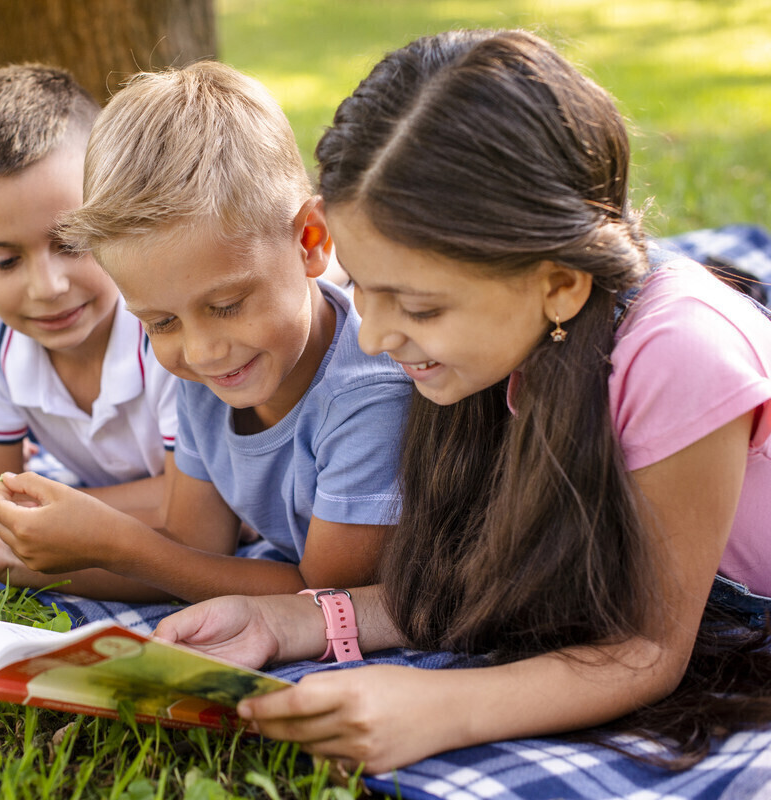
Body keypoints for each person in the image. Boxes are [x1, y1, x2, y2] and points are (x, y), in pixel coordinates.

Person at [153, 29, 771, 773]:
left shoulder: (680, 356)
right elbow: (467, 585)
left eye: (416, 306)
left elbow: (644, 649)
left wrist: (440, 707)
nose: (375, 337)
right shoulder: (484, 355)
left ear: (559, 283)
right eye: (363, 289)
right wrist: (282, 622)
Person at [0, 61, 411, 602]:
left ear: (310, 239)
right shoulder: (205, 377)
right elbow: (193, 555)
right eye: (161, 322)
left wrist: (119, 543)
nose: (200, 350)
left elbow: (323, 598)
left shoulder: (366, 397)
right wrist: (2, 557)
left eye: (227, 304)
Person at [0, 65, 181, 599]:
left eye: (71, 242)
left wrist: (30, 511)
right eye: (3, 261)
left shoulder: (166, 321)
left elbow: (195, 519)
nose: (47, 287)